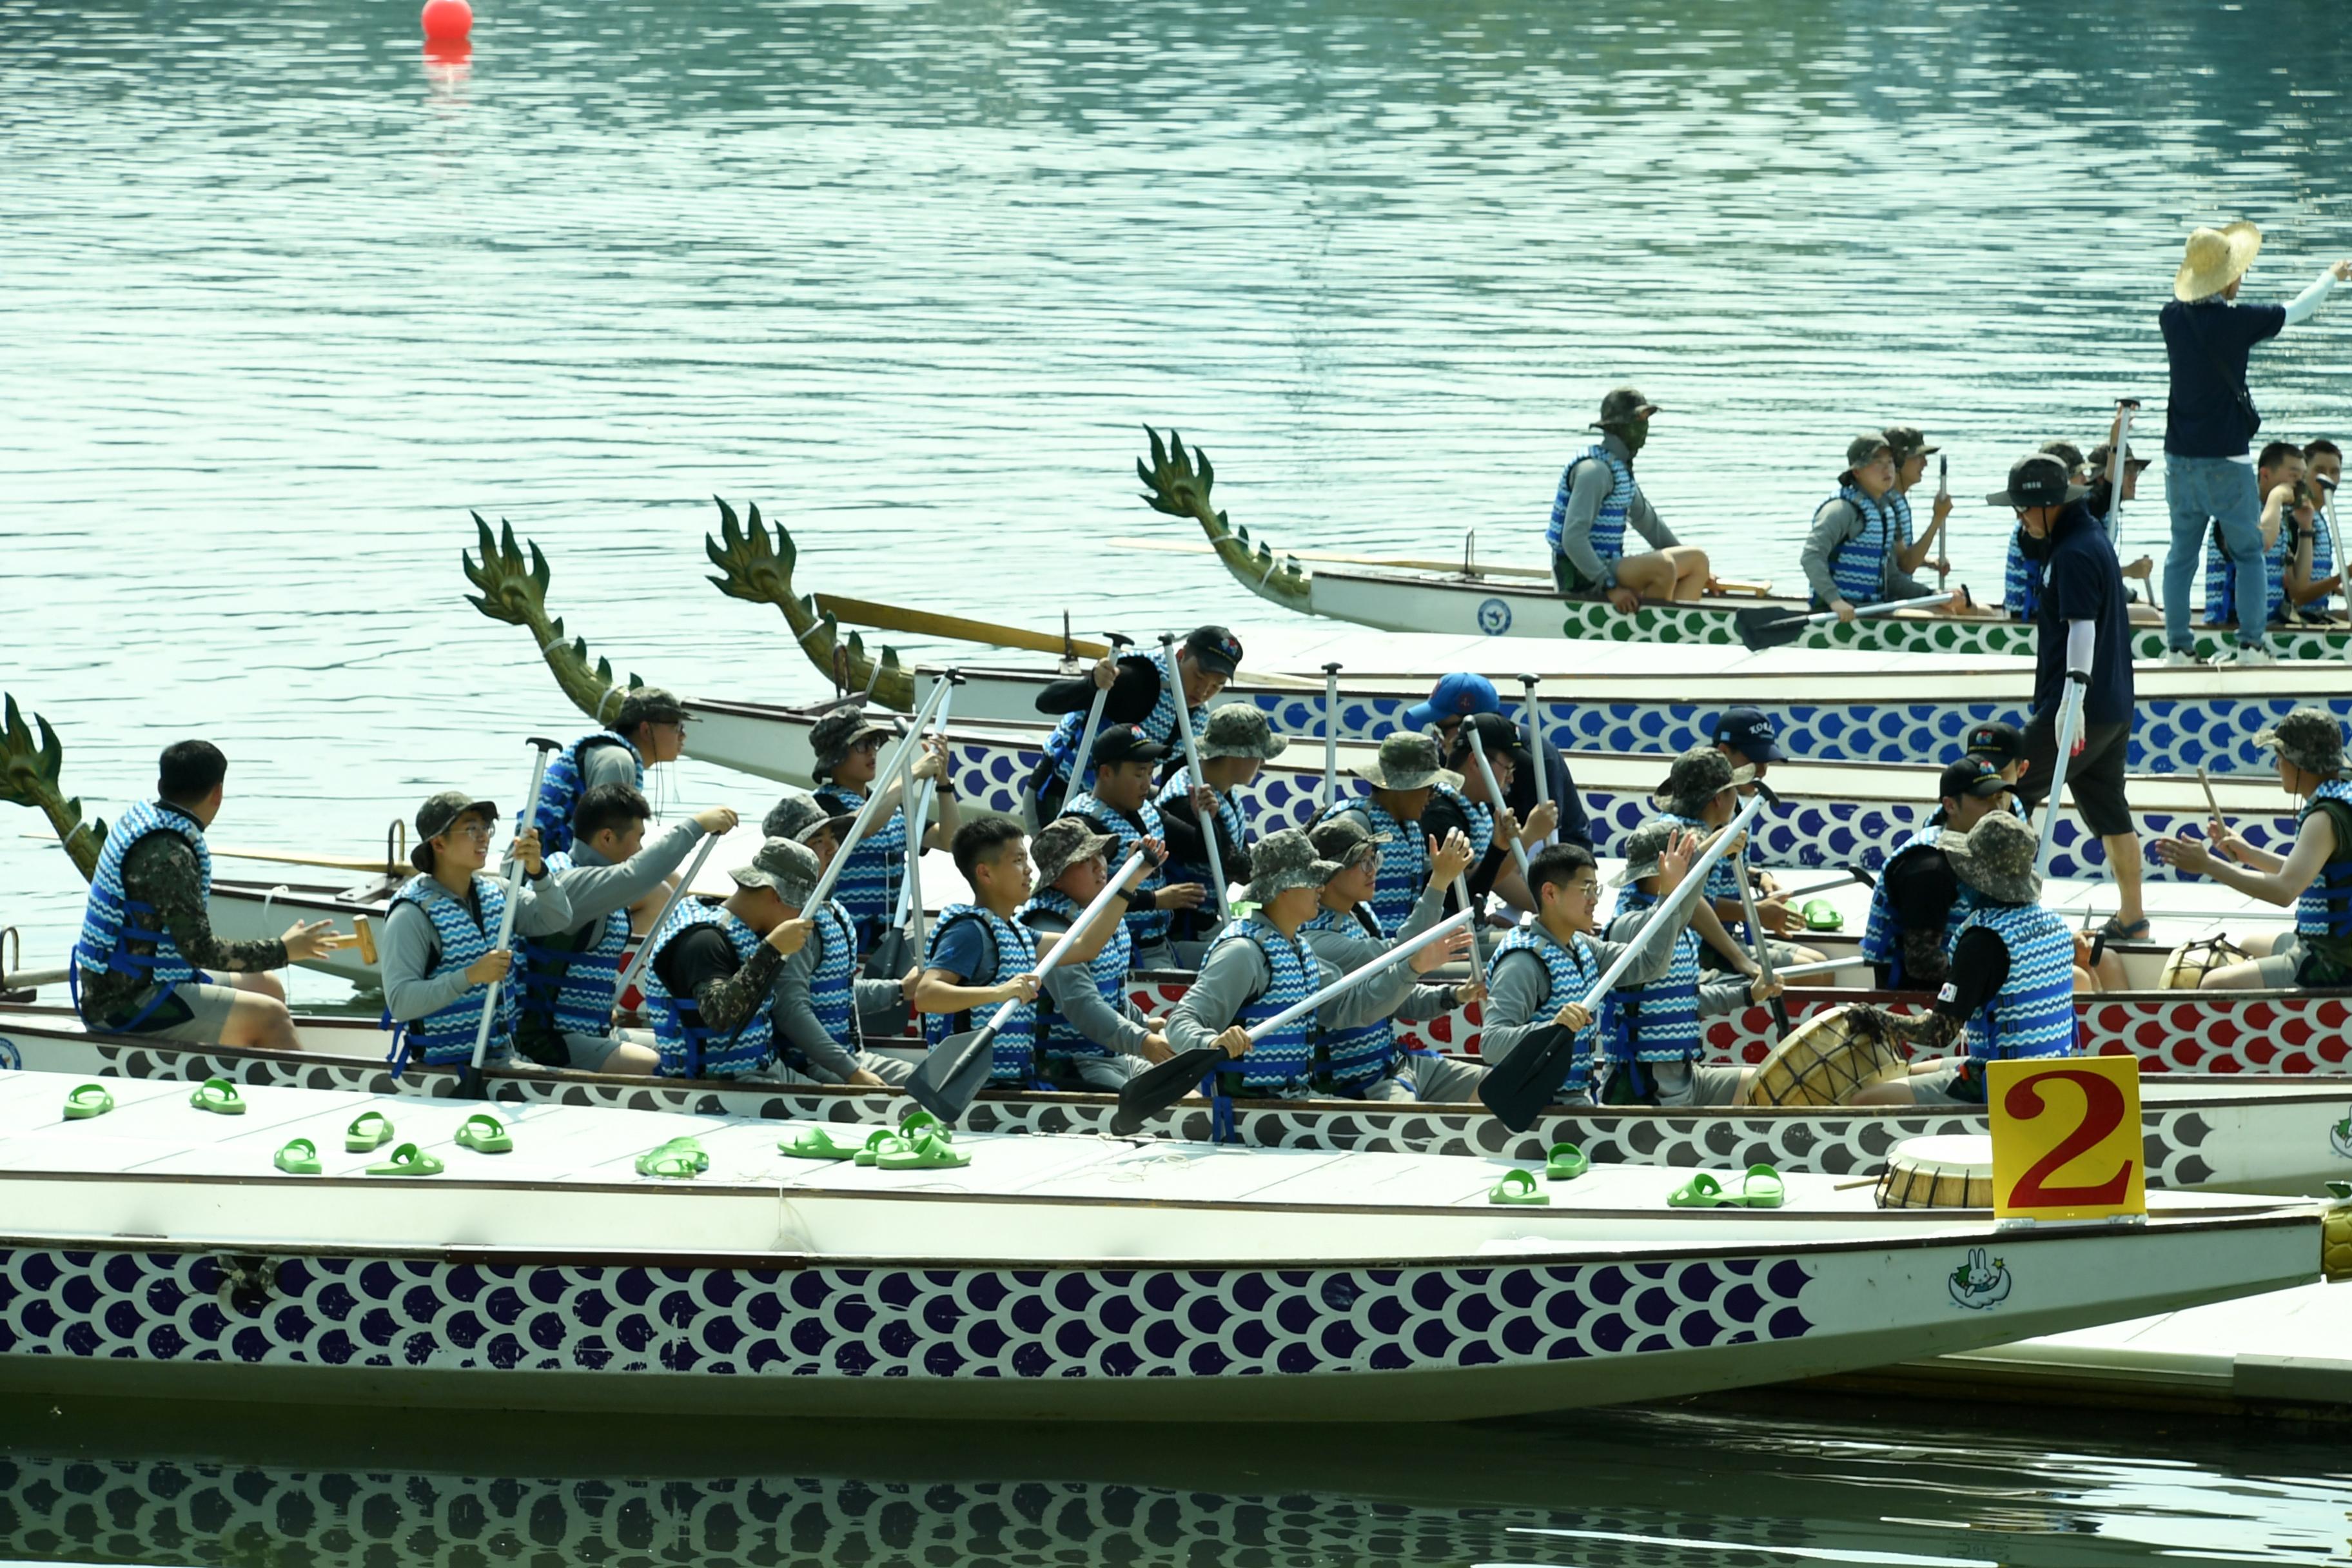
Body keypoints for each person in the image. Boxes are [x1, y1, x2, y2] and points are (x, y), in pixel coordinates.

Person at [2159, 222, 2352, 665]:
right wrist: (2331, 276)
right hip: (2226, 461)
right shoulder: (2237, 322)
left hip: (2179, 460)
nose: (2241, 278)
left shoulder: (2170, 317)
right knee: (2248, 553)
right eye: (2237, 271)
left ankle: (2177, 647)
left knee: (2181, 554)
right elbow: (2298, 309)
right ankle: (2250, 645)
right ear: (2227, 278)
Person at [72, 739, 344, 1050]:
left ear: (162, 785)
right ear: (218, 793)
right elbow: (200, 951)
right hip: (126, 1005)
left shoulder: (144, 820)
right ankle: (297, 1096)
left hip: (121, 986)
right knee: (273, 1017)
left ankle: (237, 1078)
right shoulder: (170, 855)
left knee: (266, 986)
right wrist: (283, 950)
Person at [1163, 828, 1464, 1101]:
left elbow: (1357, 1006)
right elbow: (1181, 1022)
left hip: (1296, 1104)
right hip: (1254, 1116)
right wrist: (1211, 1039)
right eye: (1312, 879)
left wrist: (1412, 970)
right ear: (1283, 888)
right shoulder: (1242, 953)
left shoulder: (1301, 952)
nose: (1321, 886)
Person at [1992, 451, 2148, 941]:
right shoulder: (2086, 534)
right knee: (2111, 813)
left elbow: (2081, 628)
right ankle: (2133, 919)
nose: (2019, 518)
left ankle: (2008, 910)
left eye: (2022, 508)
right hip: (2113, 707)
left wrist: (2070, 701)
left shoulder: (2074, 553)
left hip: (2078, 708)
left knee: (2003, 792)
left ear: (2048, 506)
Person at [1851, 812, 2081, 1106]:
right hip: (2051, 1070)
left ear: (1974, 875)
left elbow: (1939, 1033)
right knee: (1909, 1071)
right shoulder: (2055, 924)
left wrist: (1877, 1019)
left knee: (1865, 1099)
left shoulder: (1983, 940)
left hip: (2008, 1084)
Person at [514, 783, 738, 1074]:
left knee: (690, 1048)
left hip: (592, 1031)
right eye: (639, 838)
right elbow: (636, 875)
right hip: (549, 1041)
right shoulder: (567, 883)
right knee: (670, 1066)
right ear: (607, 837)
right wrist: (695, 826)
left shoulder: (596, 880)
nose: (641, 849)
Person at [1480, 838, 1696, 1107]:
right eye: (1586, 889)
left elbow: (1652, 964)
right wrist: (1551, 1028)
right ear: (1550, 893)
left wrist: (1669, 894)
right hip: (1542, 1110)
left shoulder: (1584, 947)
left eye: (1597, 889)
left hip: (1578, 1101)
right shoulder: (1523, 962)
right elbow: (1491, 1045)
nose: (1594, 900)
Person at [2153, 709, 2352, 989]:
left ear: (2299, 765)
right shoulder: (2341, 797)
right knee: (2249, 944)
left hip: (2334, 961)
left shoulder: (2324, 818)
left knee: (2212, 984)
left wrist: (2208, 864)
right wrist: (2248, 853)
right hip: (2334, 946)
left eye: (2280, 758)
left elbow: (2285, 891)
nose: (2275, 766)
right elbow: (2307, 873)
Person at [380, 790, 574, 1073]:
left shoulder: (495, 892)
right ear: (438, 844)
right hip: (449, 1067)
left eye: (486, 828)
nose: (484, 836)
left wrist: (539, 872)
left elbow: (559, 917)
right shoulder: (411, 914)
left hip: (502, 1053)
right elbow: (400, 1002)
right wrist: (470, 976)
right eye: (471, 829)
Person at [1298, 816, 1484, 1101]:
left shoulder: (1359, 914)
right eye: (1363, 863)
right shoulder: (1319, 941)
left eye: (1375, 859)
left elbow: (1393, 991)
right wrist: (1439, 881)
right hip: (1364, 1087)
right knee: (1416, 1130)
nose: (1373, 870)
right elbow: (1402, 952)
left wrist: (1454, 995)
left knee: (1500, 1088)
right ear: (1330, 872)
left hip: (1399, 1064)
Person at [1599, 819, 1779, 1107]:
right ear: (1662, 870)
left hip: (1688, 1076)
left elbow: (1685, 1000)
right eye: (1683, 863)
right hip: (1646, 1090)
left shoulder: (1678, 929)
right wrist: (1709, 851)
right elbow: (1661, 919)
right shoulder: (1627, 928)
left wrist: (1749, 994)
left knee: (1774, 1084)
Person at [760, 792, 921, 1088]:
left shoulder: (832, 911)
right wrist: (853, 1073)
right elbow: (791, 1011)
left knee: (934, 1078)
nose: (833, 848)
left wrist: (900, 990)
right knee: (926, 1086)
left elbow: (838, 992)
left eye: (831, 836)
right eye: (817, 841)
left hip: (847, 1059)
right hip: (814, 1068)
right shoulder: (795, 920)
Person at [1025, 626, 1243, 823]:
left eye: (1218, 685)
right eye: (1199, 676)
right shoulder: (1140, 680)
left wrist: (1196, 813)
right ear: (1180, 656)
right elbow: (1045, 702)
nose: (1204, 691)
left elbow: (1171, 787)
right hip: (1059, 792)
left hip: (1112, 803)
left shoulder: (1196, 720)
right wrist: (1092, 683)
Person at [636, 838, 813, 1079]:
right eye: (800, 907)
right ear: (776, 895)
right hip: (723, 1086)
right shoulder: (705, 940)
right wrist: (771, 950)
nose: (802, 918)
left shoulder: (740, 929)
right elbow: (718, 1015)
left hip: (762, 1073)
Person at [1017, 816, 1166, 1090]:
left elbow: (1111, 993)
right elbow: (1083, 1005)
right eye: (1086, 860)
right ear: (1058, 879)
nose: (1100, 865)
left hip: (1114, 1056)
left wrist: (1145, 1024)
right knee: (1163, 1106)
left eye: (1100, 854)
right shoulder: (1046, 925)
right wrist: (1142, 1041)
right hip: (1070, 1063)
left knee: (1188, 1095)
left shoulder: (1103, 913)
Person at [1652, 748, 1823, 972]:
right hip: (1679, 957)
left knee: (1818, 963)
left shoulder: (1693, 830)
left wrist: (1759, 878)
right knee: (1816, 972)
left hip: (1689, 947)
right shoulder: (1688, 839)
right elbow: (1690, 904)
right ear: (1718, 799)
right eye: (1733, 789)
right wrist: (1751, 926)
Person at [807, 706, 959, 956]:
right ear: (836, 756)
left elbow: (949, 840)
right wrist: (911, 773)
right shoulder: (822, 807)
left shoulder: (891, 806)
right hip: (843, 937)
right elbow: (863, 827)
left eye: (873, 744)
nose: (871, 752)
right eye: (861, 745)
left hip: (892, 936)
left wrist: (943, 782)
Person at [1545, 387, 1712, 609]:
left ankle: (1675, 626)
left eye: (1646, 420)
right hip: (1579, 575)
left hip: (1608, 566)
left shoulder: (1619, 469)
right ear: (1619, 426)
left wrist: (1702, 575)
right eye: (1638, 420)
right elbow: (1572, 538)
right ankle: (1652, 631)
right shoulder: (1594, 471)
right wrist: (1610, 586)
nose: (1644, 428)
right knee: (1663, 567)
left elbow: (1650, 526)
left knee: (1697, 561)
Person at [912, 818, 1046, 1087]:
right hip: (973, 1090)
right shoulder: (969, 932)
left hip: (1011, 1084)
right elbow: (926, 995)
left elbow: (1086, 945)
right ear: (985, 873)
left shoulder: (1017, 931)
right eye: (1018, 860)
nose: (1029, 870)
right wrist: (999, 993)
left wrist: (1127, 887)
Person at [1858, 760, 2012, 989]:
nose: (1996, 809)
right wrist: (1996, 978)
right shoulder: (1930, 870)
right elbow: (1922, 962)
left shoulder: (1967, 845)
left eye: (1999, 797)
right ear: (1950, 806)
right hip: (1920, 997)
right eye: (1983, 799)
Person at [1062, 725, 1206, 971]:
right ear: (1106, 773)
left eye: (1151, 773)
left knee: (1228, 956)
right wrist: (1155, 900)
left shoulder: (1147, 811)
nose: (1147, 783)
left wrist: (1203, 817)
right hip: (1122, 953)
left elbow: (1198, 848)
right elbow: (1085, 897)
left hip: (1162, 943)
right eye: (1139, 774)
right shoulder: (1084, 826)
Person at [1402, 671, 1592, 853]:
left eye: (1442, 729)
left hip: (1556, 853)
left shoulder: (1537, 758)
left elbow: (1547, 839)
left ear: (1470, 724)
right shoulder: (1451, 749)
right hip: (1493, 853)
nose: (1437, 738)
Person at [1152, 704, 1279, 948]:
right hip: (1185, 934)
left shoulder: (1221, 792)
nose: (1261, 761)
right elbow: (1242, 870)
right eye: (1258, 754)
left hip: (1205, 923)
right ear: (1237, 755)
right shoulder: (1185, 805)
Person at [1315, 733, 1458, 934]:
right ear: (1402, 787)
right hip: (1360, 949)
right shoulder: (1355, 823)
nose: (1432, 797)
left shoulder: (1411, 829)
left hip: (1400, 948)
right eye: (1428, 788)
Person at [526, 686, 687, 856]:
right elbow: (606, 850)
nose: (683, 736)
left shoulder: (619, 757)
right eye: (677, 728)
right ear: (646, 730)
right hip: (545, 868)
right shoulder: (618, 762)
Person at [1800, 433, 1946, 620]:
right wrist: (1835, 600)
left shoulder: (1885, 513)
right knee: (1937, 618)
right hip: (1841, 612)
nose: (1888, 469)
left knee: (1957, 610)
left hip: (1872, 607)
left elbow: (1891, 578)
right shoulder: (1841, 510)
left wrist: (1931, 595)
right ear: (1857, 472)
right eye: (1878, 462)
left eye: (1891, 462)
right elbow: (1811, 556)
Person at [1426, 713, 1549, 911]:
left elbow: (1496, 878)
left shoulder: (1478, 808)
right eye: (1507, 769)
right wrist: (1527, 836)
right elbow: (1461, 899)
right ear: (1476, 762)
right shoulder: (1442, 813)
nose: (1511, 779)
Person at [2202, 440, 2307, 636]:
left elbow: (2297, 587)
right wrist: (2277, 496)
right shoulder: (2237, 512)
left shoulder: (2280, 519)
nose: (2299, 483)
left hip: (2273, 623)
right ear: (2265, 475)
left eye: (2302, 477)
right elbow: (2261, 543)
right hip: (2232, 626)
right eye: (2293, 476)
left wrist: (2306, 528)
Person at [1884, 426, 1952, 580]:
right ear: (1898, 461)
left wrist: (1928, 562)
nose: (1925, 463)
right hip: (1891, 597)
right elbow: (1906, 565)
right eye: (1918, 457)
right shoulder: (1890, 504)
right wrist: (1938, 518)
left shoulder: (1895, 499)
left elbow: (1897, 556)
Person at [2304, 438, 2342, 622]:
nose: (2327, 478)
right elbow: (2296, 593)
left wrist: (2338, 590)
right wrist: (2346, 573)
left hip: (2318, 611)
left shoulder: (2318, 517)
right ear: (2303, 473)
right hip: (2297, 616)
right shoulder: (2297, 521)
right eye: (2319, 471)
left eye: (2334, 472)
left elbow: (2314, 577)